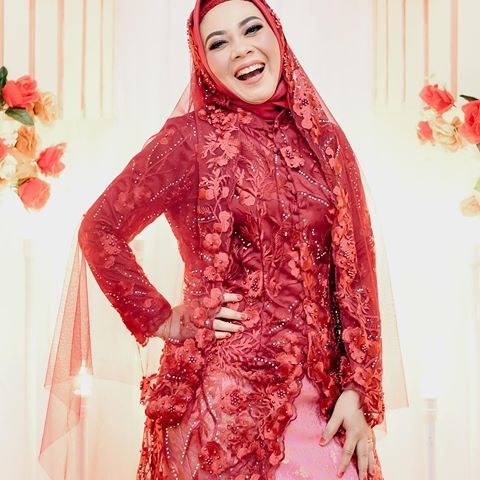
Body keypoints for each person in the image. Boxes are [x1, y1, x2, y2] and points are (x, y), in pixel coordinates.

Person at [40, 1, 407, 479]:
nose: (240, 50)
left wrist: (358, 390)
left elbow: (357, 272)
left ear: (276, 35)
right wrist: (161, 317)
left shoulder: (326, 141)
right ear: (204, 61)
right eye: (218, 42)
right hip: (223, 404)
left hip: (326, 398)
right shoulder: (189, 141)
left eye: (251, 29)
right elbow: (100, 227)